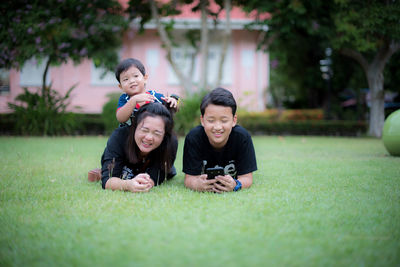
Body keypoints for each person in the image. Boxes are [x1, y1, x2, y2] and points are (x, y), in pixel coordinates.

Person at [182, 87, 257, 193]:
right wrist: (196, 184)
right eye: (211, 120)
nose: (217, 127)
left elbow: (247, 178)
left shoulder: (242, 138)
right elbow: (189, 178)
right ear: (202, 120)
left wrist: (236, 184)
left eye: (224, 120)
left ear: (234, 120)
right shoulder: (194, 138)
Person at [98, 102, 178, 192]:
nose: (148, 137)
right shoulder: (119, 137)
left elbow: (155, 177)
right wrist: (127, 185)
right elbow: (107, 181)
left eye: (157, 133)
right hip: (123, 167)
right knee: (112, 171)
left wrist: (145, 183)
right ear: (135, 126)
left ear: (165, 135)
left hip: (151, 166)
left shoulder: (170, 142)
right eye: (144, 130)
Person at [115, 58, 179, 126]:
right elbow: (120, 118)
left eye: (136, 76)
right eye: (126, 79)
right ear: (121, 87)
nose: (132, 81)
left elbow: (172, 109)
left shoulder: (155, 97)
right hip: (126, 134)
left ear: (145, 78)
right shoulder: (124, 99)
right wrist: (133, 100)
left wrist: (173, 101)